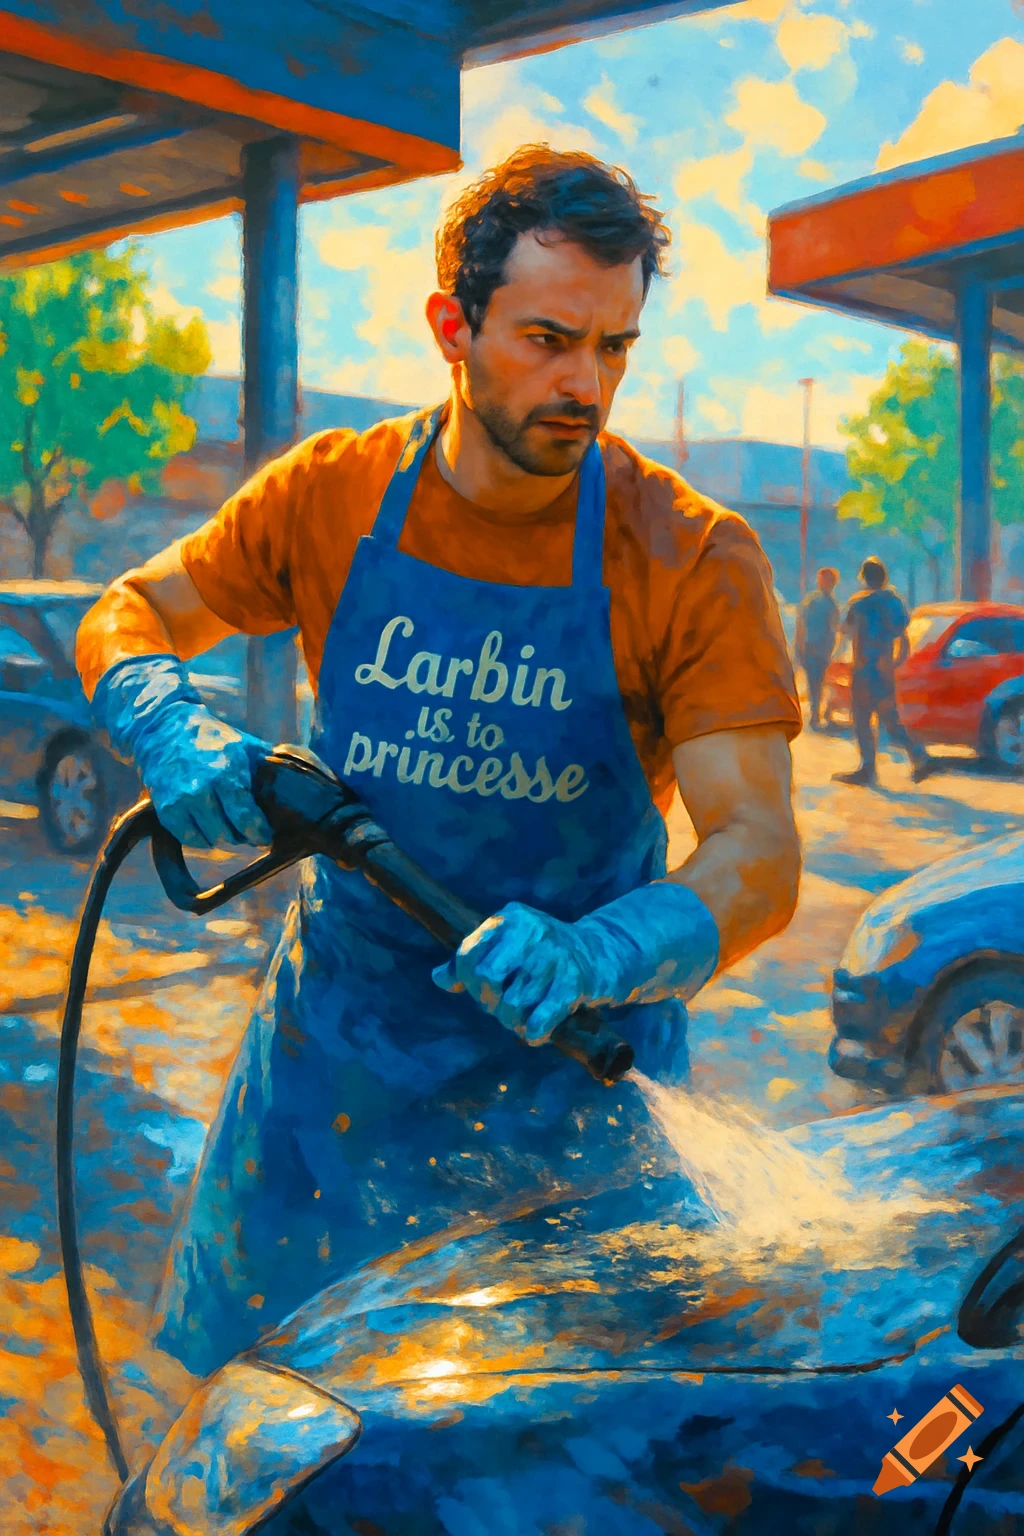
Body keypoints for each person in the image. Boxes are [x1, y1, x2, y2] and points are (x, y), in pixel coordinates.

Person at [76, 146, 802, 1380]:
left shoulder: (688, 554)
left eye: (615, 347)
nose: (585, 384)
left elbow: (758, 850)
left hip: (572, 1111)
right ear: (449, 327)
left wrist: (600, 953)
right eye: (547, 338)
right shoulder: (333, 494)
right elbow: (131, 609)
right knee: (266, 1441)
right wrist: (163, 715)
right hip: (329, 1087)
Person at [832, 556, 932, 787]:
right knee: (890, 718)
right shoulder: (895, 602)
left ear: (864, 578)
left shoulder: (859, 603)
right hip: (884, 669)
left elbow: (846, 631)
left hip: (864, 668)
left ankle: (868, 769)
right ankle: (920, 756)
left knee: (862, 719)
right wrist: (897, 661)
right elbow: (902, 635)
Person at [795, 566, 840, 730]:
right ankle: (813, 715)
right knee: (814, 682)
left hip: (819, 648)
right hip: (812, 647)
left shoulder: (827, 602)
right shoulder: (814, 601)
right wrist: (800, 646)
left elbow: (834, 627)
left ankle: (815, 715)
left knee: (816, 682)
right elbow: (801, 624)